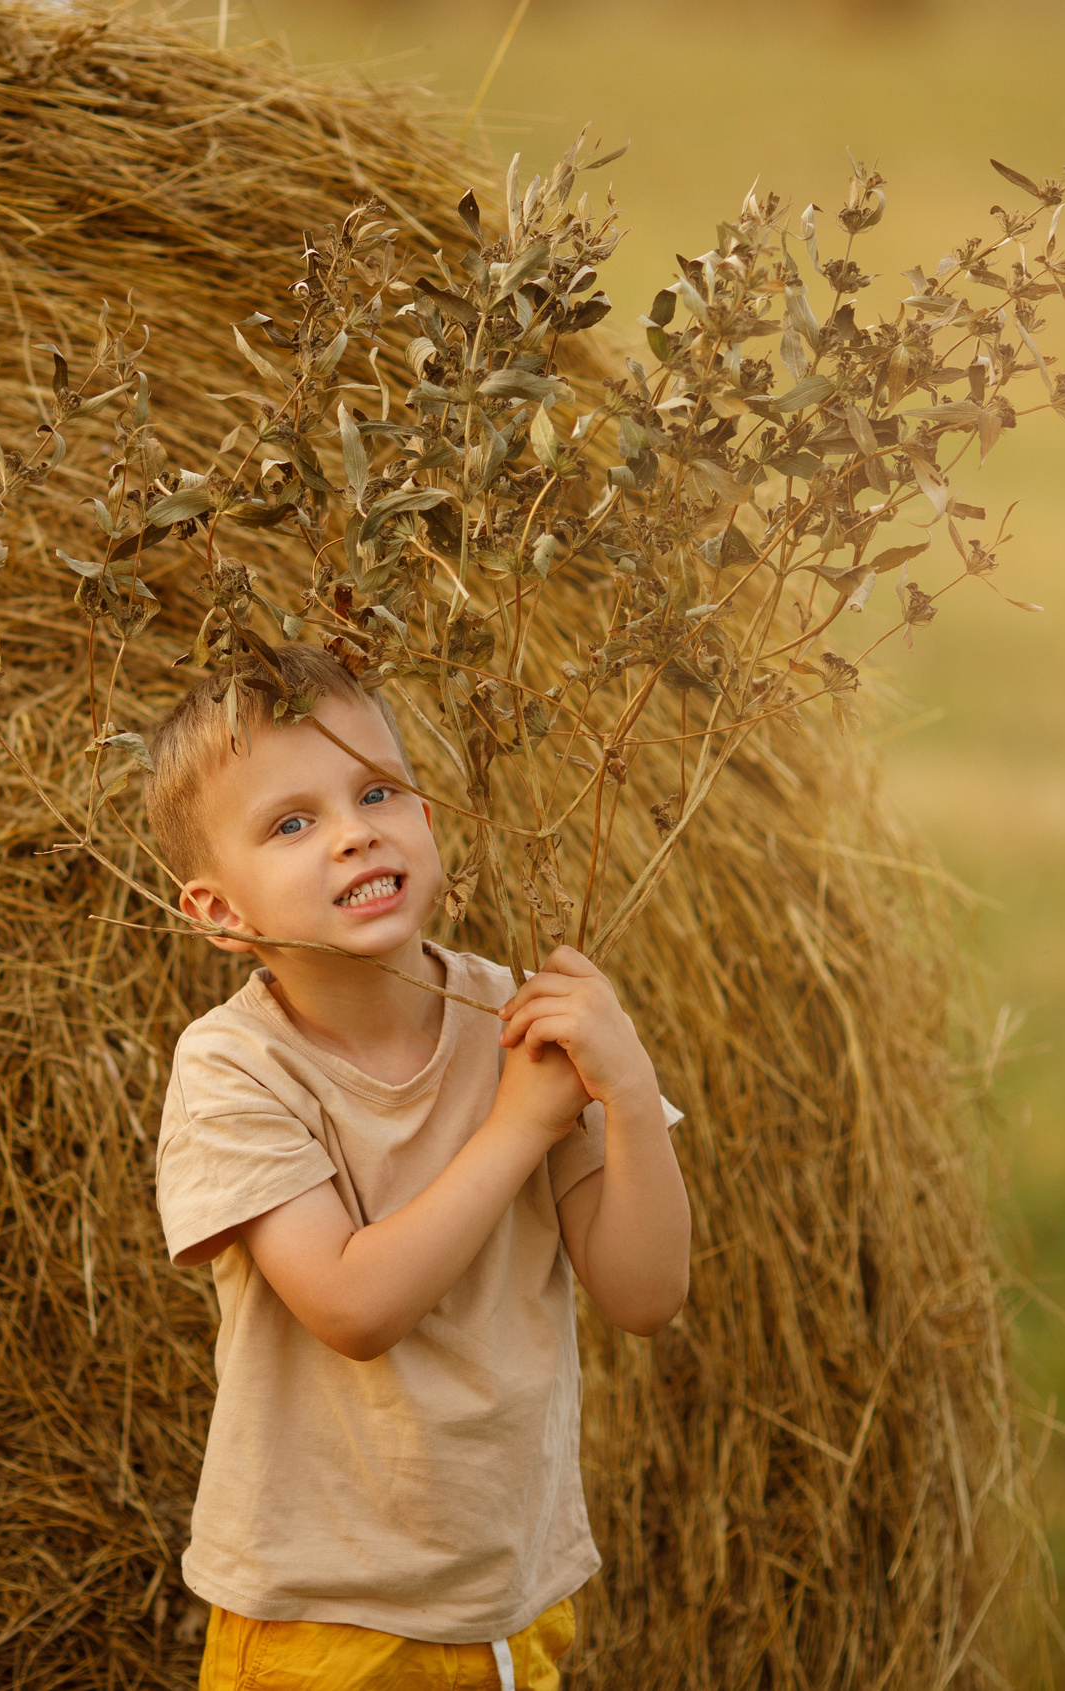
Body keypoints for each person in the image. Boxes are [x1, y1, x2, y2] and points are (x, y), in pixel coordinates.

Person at [146, 644, 692, 1690]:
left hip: (510, 1606)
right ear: (218, 912)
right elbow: (353, 1306)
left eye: (378, 792)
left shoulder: (516, 1018)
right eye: (291, 823)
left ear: (429, 820)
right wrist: (521, 1125)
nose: (354, 831)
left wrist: (627, 1087)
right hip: (320, 1621)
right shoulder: (235, 1067)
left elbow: (646, 1292)